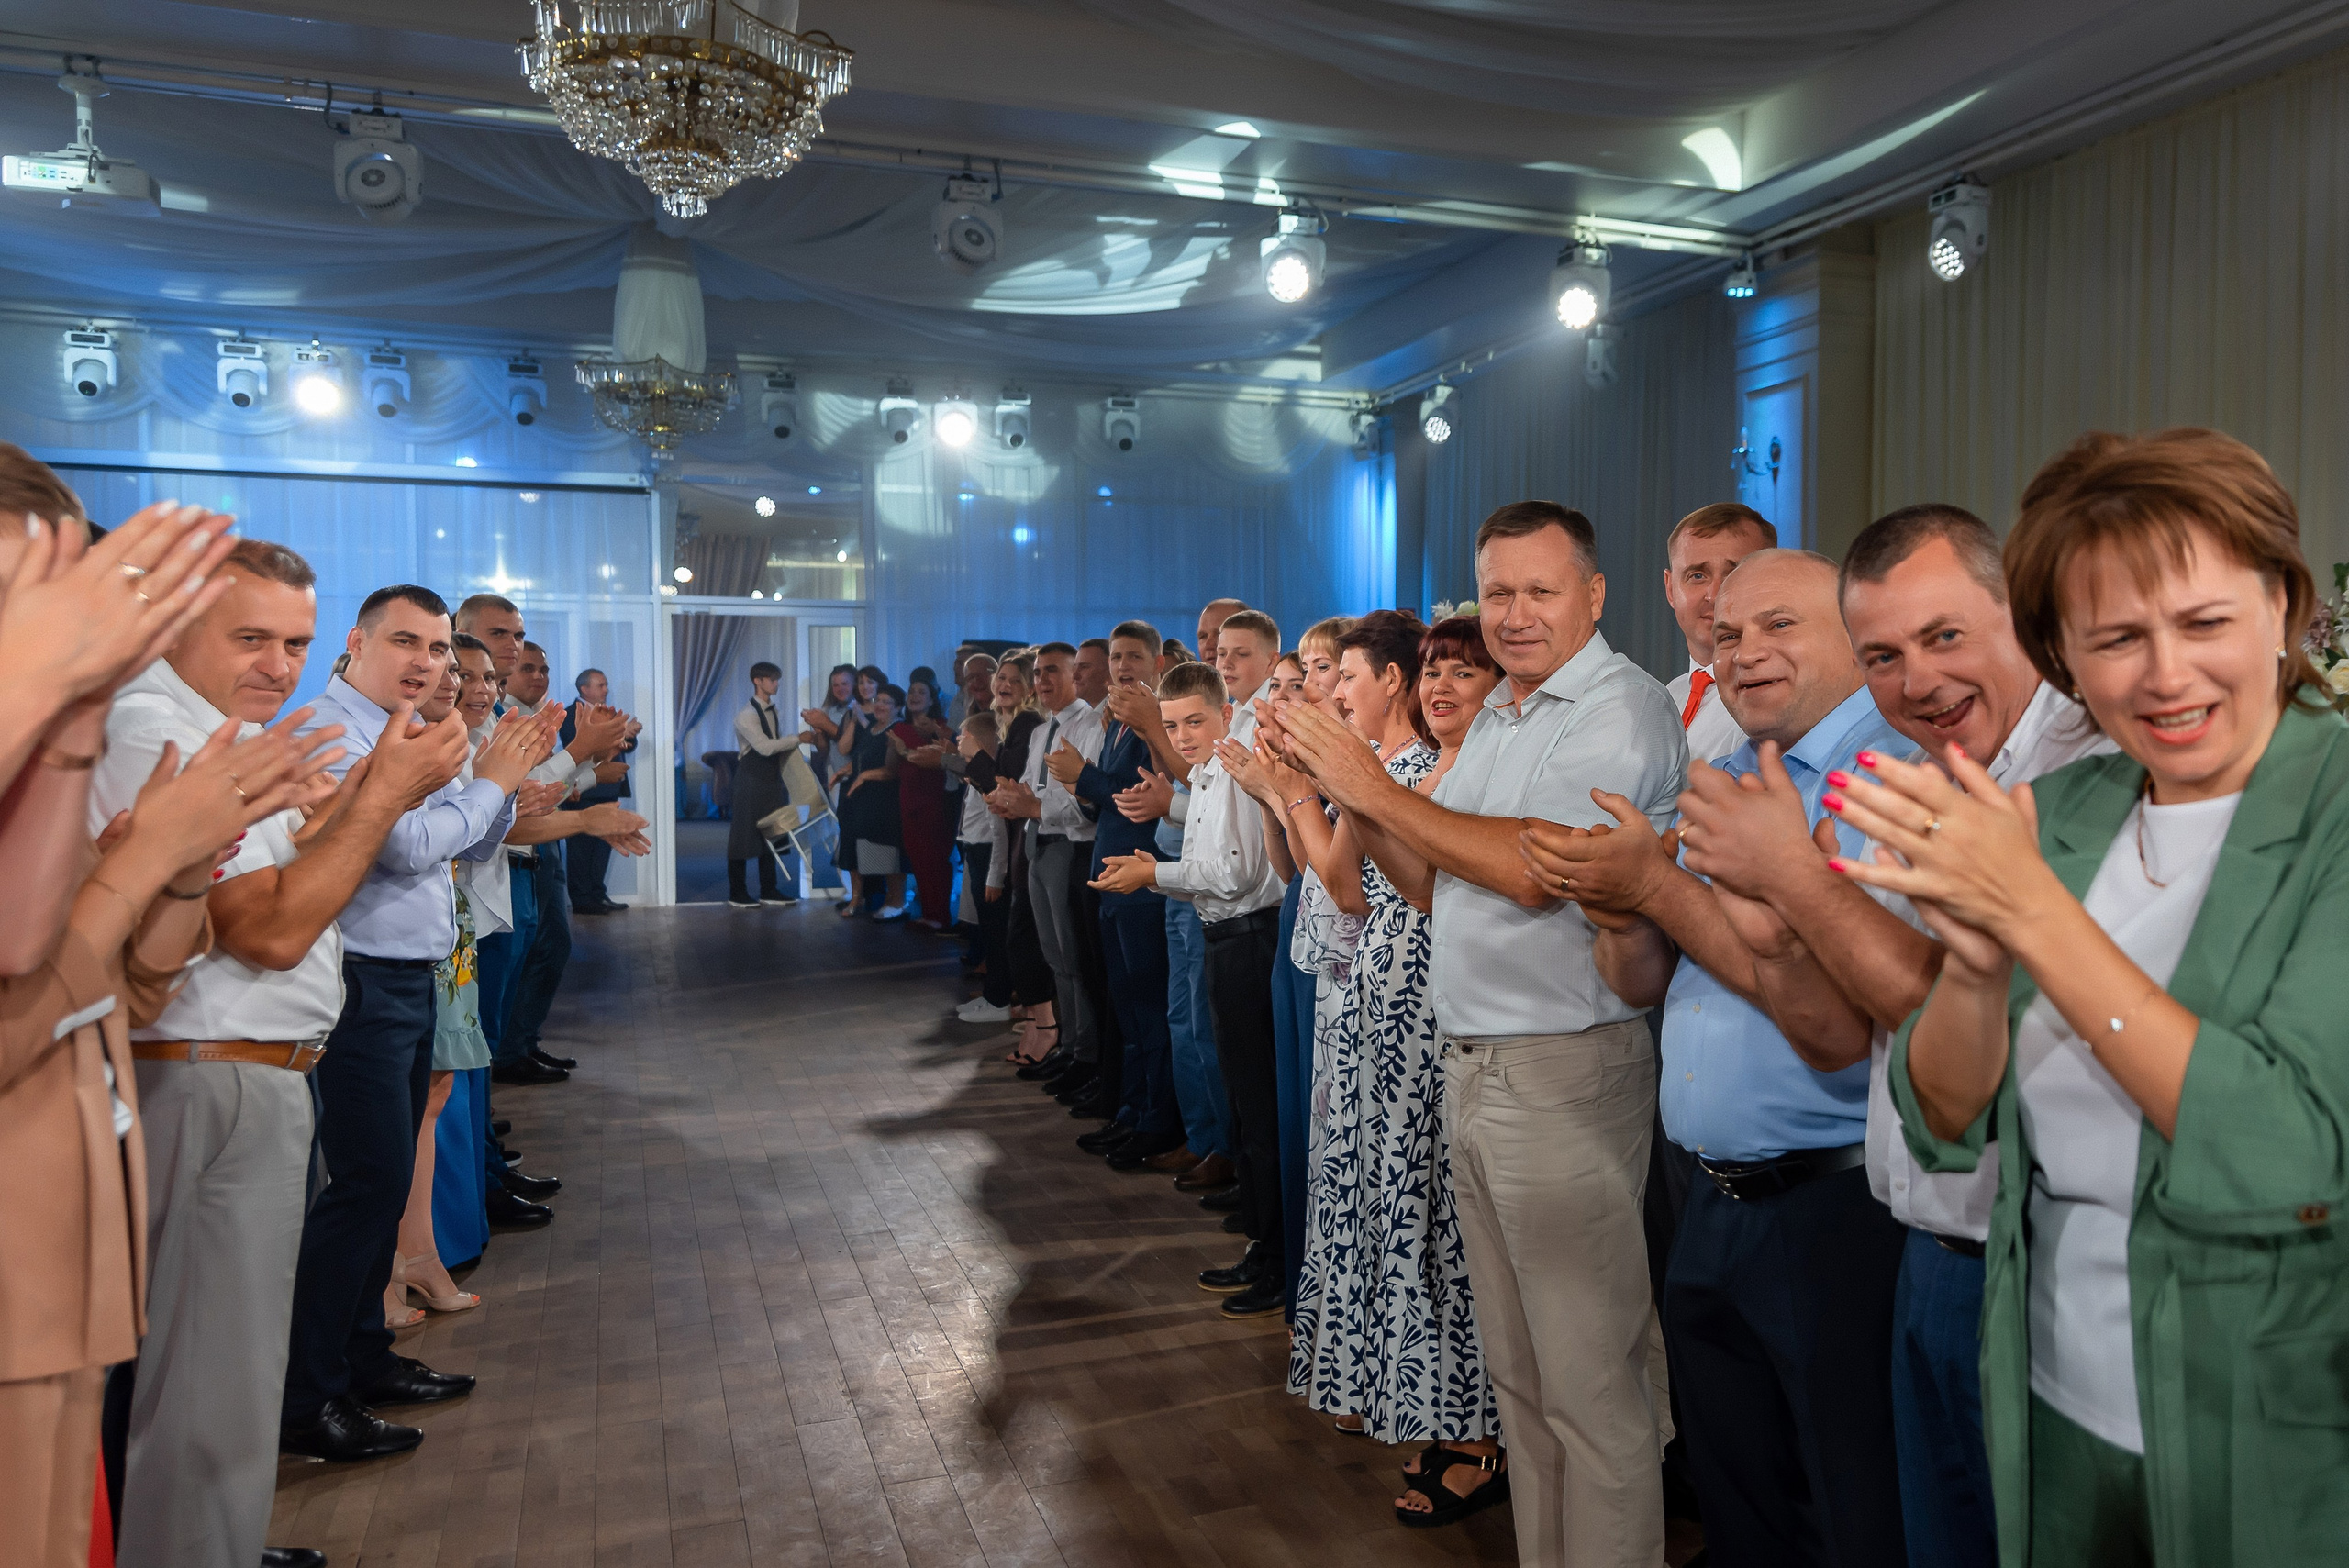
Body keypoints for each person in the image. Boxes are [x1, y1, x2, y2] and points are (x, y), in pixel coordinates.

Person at [1834, 429, 2349, 1566]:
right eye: (2115, 638)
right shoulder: (2066, 810)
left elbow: (2290, 1150)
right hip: (2051, 1396)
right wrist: (1972, 964)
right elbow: (1944, 1117)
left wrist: (2033, 920)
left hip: (2265, 1425)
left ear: (2283, 607)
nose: (2164, 676)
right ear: (2061, 652)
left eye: (2204, 622)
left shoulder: (2334, 809)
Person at [1675, 503, 2111, 1568]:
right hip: (1920, 1229)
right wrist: (1774, 932)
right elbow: (1851, 1030)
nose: (1915, 679)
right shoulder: (1944, 767)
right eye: (1886, 655)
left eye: (1944, 637)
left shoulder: (2072, 771)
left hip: (2019, 1253)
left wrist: (1787, 878)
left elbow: (1961, 1038)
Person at [1275, 502, 1683, 1566]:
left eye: (1540, 589)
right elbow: (1424, 880)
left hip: (1562, 1066)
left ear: (1593, 596)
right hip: (1474, 1066)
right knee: (1521, 1385)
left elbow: (1532, 868)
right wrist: (1352, 784)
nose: (1513, 613)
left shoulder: (1619, 707)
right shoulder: (1503, 714)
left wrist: (1369, 784)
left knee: (1592, 1389)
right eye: (1496, 591)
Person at [1529, 547, 1912, 1566]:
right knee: (1739, 1500)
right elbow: (1649, 976)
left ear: (1852, 634)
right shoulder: (1731, 772)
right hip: (1707, 1194)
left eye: (1778, 625)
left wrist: (1655, 889)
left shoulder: (1891, 773)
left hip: (1833, 1204)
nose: (1743, 652)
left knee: (1849, 1503)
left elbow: (1836, 1014)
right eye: (1727, 632)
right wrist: (1612, 901)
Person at [94, 539, 453, 1568]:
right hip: (209, 1063)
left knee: (216, 1372)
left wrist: (348, 796)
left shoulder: (219, 728)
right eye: (250, 637)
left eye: (292, 641)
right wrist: (383, 791)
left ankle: (206, 1541)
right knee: (206, 1374)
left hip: (240, 1062)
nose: (277, 664)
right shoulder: (160, 731)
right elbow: (267, 929)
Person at [281, 585, 555, 1464]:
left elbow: (468, 842)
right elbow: (400, 846)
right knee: (364, 1184)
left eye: (438, 649)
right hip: (359, 977)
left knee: (383, 1176)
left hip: (405, 972)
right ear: (356, 641)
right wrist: (492, 782)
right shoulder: (336, 728)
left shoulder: (407, 728)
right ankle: (310, 1393)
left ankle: (364, 1358)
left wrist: (493, 785)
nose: (426, 664)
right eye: (407, 642)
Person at [1094, 658, 1287, 1319]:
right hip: (1227, 937)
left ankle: (1275, 1259)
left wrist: (1155, 874)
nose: (1181, 735)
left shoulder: (1233, 770)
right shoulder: (1206, 773)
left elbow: (1231, 874)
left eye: (1194, 720)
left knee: (1259, 1108)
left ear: (1227, 713)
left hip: (1249, 937)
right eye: (1171, 724)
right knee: (1244, 1101)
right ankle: (1263, 1243)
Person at [1064, 620, 1183, 1168]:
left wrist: (1083, 777)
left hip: (1144, 877)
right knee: (1128, 1007)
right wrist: (1082, 784)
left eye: (1134, 656)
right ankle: (1133, 1111)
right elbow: (1106, 800)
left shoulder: (1152, 718)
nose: (1122, 667)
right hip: (1111, 874)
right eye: (1115, 657)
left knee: (1149, 1007)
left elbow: (1138, 797)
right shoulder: (1116, 720)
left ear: (1157, 663)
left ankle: (1156, 1120)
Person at [1260, 619, 1353, 1307]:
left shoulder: (1359, 758)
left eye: (1330, 670)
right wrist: (1276, 793)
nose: (1318, 685)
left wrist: (1288, 787)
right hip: (1307, 920)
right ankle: (1297, 1281)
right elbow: (1294, 865)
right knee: (1301, 1119)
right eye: (1316, 670)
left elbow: (1344, 882)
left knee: (1330, 1137)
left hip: (1349, 952)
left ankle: (1309, 1295)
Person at [989, 644, 1106, 1095]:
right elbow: (1035, 789)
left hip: (1066, 842)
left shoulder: (1089, 723)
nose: (1042, 680)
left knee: (1073, 955)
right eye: (1037, 672)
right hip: (1038, 840)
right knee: (1055, 954)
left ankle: (1085, 1051)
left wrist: (1032, 805)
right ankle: (1071, 1046)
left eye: (1052, 671)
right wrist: (1011, 796)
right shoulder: (1042, 732)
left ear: (1075, 675)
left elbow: (1082, 799)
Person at [1663, 504, 1775, 768]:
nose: (1714, 595)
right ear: (1670, 589)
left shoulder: (1775, 697)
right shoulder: (1663, 698)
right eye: (1697, 575)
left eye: (1733, 574)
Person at [952, 711, 1013, 1025]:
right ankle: (992, 996)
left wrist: (994, 875)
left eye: (964, 738)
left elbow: (997, 827)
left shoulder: (988, 777)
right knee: (989, 932)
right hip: (976, 851)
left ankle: (1000, 1000)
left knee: (996, 931)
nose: (958, 743)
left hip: (988, 855)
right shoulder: (977, 774)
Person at [563, 666, 636, 915]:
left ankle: (598, 894)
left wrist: (626, 735)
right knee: (581, 850)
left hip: (608, 788)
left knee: (603, 847)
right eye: (601, 685)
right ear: (585, 688)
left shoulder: (607, 713)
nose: (606, 690)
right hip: (583, 791)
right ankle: (582, 900)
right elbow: (583, 750)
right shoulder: (570, 714)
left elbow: (628, 744)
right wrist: (621, 734)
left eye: (606, 685)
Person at [839, 684, 910, 917]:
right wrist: (847, 771)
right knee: (866, 849)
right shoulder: (872, 729)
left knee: (889, 851)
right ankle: (873, 899)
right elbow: (861, 758)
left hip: (887, 800)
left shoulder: (898, 729)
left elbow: (894, 769)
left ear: (899, 707)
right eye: (878, 700)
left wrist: (864, 775)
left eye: (886, 702)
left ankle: (898, 902)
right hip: (866, 800)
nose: (879, 705)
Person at [728, 662, 794, 909]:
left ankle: (769, 889)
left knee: (773, 833)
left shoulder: (772, 710)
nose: (776, 684)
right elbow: (765, 747)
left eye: (777, 680)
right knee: (742, 836)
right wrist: (798, 739)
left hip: (769, 780)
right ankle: (737, 892)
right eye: (772, 679)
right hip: (750, 779)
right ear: (758, 681)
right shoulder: (746, 715)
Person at [895, 670, 957, 929]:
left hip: (933, 799)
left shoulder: (941, 727)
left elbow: (943, 759)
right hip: (908, 798)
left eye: (922, 692)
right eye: (911, 692)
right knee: (917, 857)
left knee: (935, 858)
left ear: (932, 700)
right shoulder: (899, 727)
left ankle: (940, 915)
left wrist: (905, 750)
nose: (915, 696)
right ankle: (929, 913)